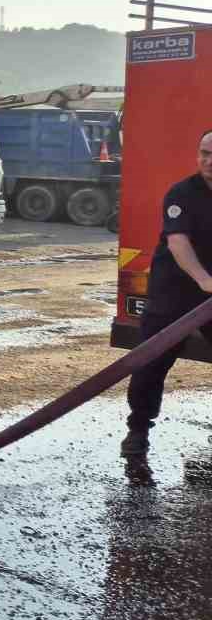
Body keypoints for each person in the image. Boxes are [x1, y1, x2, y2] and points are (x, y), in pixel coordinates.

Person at [121, 129, 212, 456]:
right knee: (151, 360)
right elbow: (178, 242)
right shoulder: (182, 194)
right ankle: (138, 430)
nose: (208, 161)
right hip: (174, 291)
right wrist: (204, 279)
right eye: (204, 153)